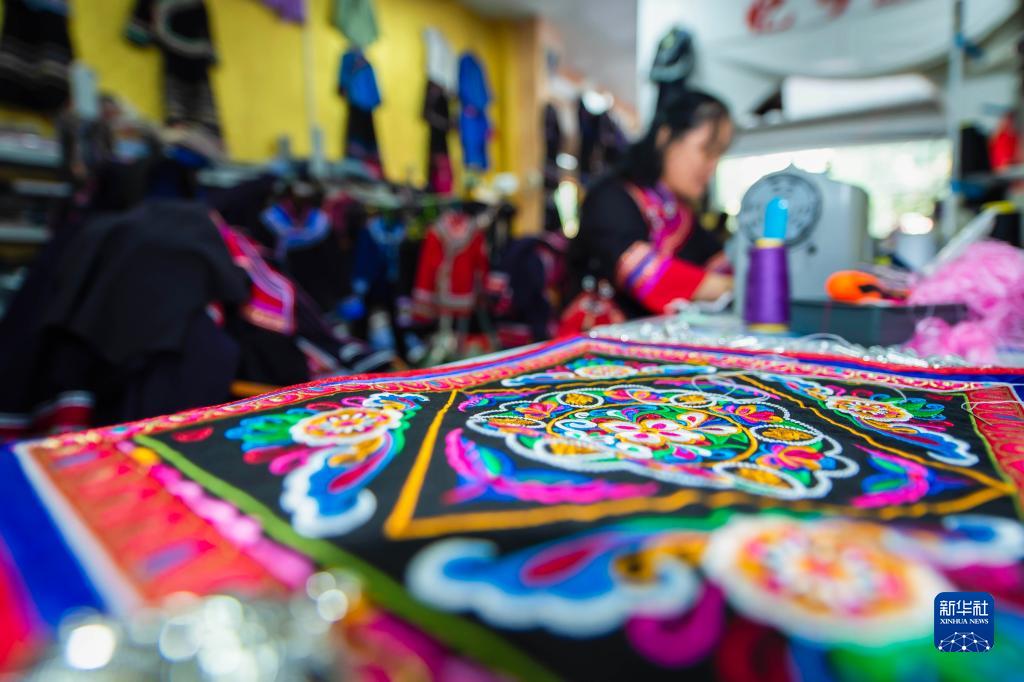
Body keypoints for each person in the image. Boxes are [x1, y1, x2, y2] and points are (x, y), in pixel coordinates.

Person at [565, 89, 734, 321]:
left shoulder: (681, 216)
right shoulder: (611, 198)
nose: (712, 166)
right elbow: (643, 274)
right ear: (665, 137)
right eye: (706, 150)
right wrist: (735, 285)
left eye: (718, 155)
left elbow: (721, 261)